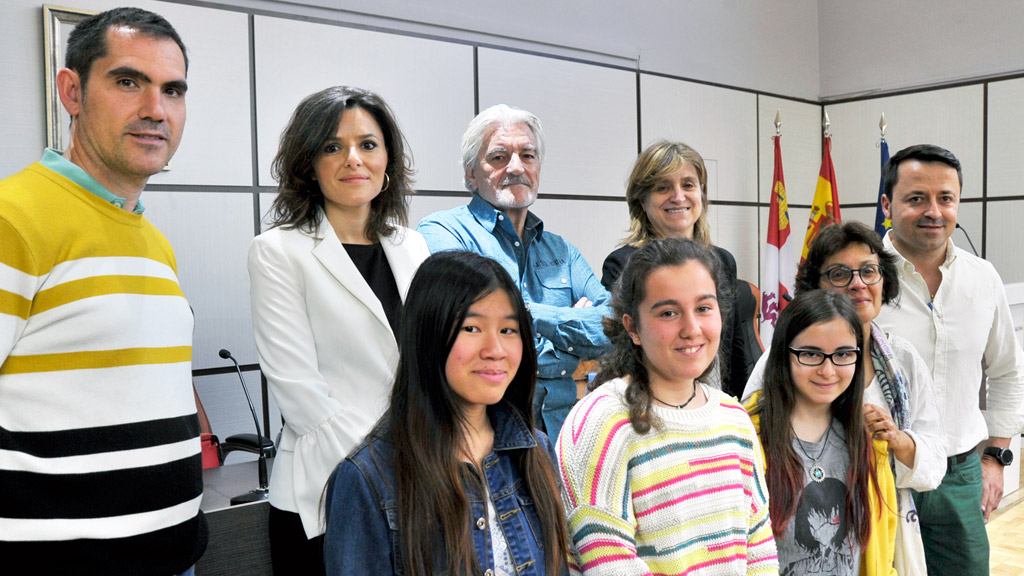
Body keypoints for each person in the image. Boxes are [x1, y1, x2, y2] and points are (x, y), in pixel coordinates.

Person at [0, 8, 205, 574]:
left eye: (173, 89)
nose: (155, 110)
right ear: (72, 91)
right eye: (127, 81)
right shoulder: (12, 218)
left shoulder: (153, 241)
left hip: (174, 554)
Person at [248, 86, 430, 574]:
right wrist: (397, 464)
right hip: (328, 492)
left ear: (387, 158)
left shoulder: (413, 247)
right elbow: (301, 394)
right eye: (333, 146)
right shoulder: (277, 252)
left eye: (368, 144)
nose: (354, 159)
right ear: (309, 163)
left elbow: (431, 364)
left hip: (419, 488)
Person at [324, 251, 570, 575]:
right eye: (471, 328)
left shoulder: (536, 450)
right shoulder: (368, 478)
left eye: (508, 330)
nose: (495, 350)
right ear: (428, 335)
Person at [556, 238, 778, 575]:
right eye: (668, 313)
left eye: (704, 308)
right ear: (632, 328)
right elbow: (608, 566)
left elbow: (760, 553)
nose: (692, 329)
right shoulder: (603, 420)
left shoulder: (735, 420)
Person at [742, 221, 945, 572]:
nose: (857, 283)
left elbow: (934, 460)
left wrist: (896, 441)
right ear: (815, 286)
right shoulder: (774, 364)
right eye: (839, 273)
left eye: (869, 271)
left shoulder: (903, 359)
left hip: (877, 529)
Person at [417, 104, 611, 437]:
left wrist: (518, 316)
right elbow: (461, 330)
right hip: (485, 436)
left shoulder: (562, 251)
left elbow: (611, 329)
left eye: (528, 156)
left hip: (565, 434)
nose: (516, 167)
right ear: (470, 174)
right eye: (499, 157)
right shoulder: (443, 232)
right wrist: (568, 328)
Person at [876, 144, 1024, 575]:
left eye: (946, 198)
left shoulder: (982, 277)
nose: (934, 211)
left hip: (959, 475)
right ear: (887, 204)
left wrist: (996, 458)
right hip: (881, 471)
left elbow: (1007, 372)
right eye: (916, 198)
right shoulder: (861, 277)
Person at [744, 290, 897, 575]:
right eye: (811, 354)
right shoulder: (748, 437)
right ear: (783, 354)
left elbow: (882, 548)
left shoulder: (866, 439)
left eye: (842, 354)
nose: (828, 371)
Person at [601, 140, 760, 396]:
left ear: (701, 194)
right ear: (642, 200)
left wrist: (740, 409)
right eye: (663, 187)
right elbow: (623, 355)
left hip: (716, 403)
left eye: (688, 185)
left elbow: (731, 351)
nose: (678, 196)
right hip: (652, 404)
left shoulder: (722, 261)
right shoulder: (623, 264)